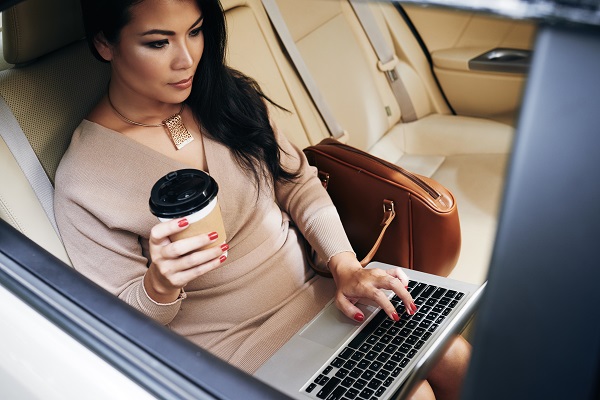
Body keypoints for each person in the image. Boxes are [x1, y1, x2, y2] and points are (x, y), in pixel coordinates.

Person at [55, 0, 471, 398]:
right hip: (236, 352)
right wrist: (159, 284)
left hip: (322, 295)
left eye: (195, 31)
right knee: (416, 394)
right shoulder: (86, 179)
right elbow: (117, 323)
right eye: (158, 42)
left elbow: (298, 183)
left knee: (457, 358)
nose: (186, 60)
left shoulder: (224, 95)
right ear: (105, 43)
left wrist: (345, 265)